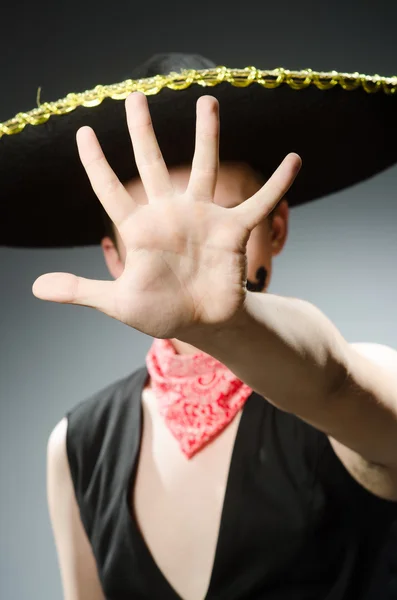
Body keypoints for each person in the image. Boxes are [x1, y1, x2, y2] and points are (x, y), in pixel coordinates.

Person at [2, 53, 397, 599]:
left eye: (216, 220)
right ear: (115, 258)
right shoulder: (78, 445)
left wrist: (228, 324)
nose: (182, 254)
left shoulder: (363, 383)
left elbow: (332, 381)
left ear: (273, 228)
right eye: (150, 240)